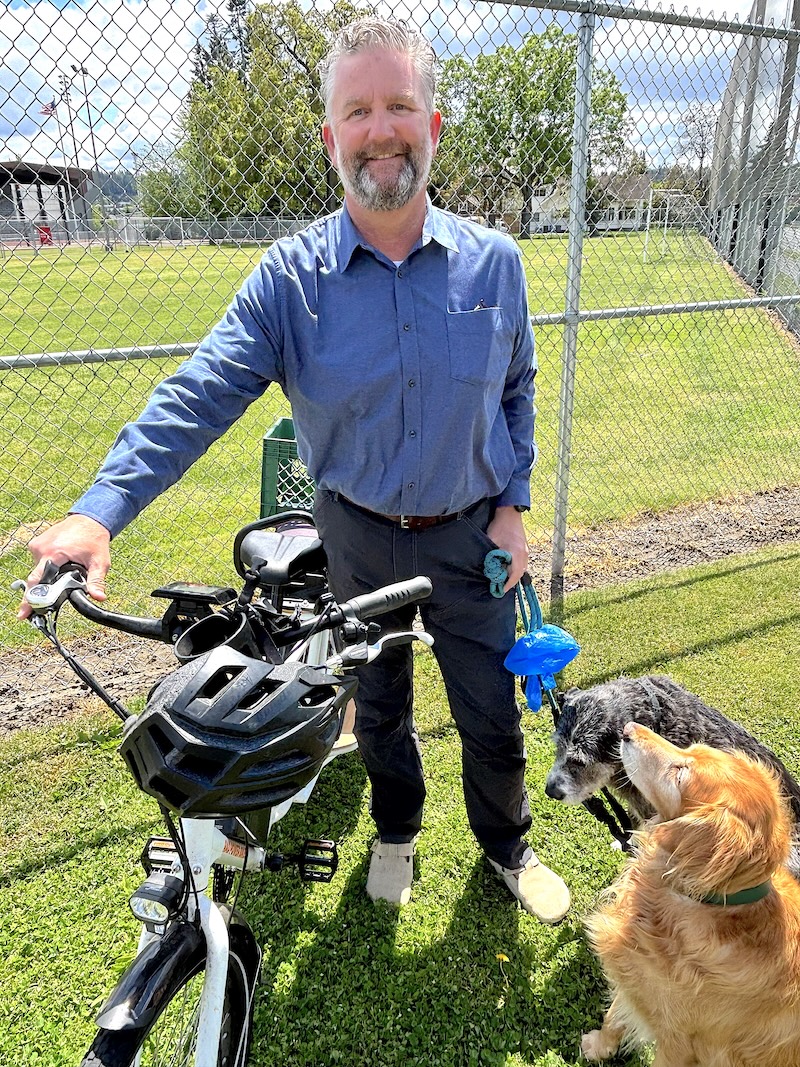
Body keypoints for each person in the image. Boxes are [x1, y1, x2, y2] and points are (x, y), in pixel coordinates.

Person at [19, 17, 570, 923]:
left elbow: (517, 387)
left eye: (401, 106)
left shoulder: (496, 263)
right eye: (359, 111)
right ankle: (396, 831)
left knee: (491, 708)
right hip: (355, 537)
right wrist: (98, 512)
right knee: (380, 705)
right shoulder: (289, 281)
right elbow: (198, 392)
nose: (381, 129)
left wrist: (511, 506)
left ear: (433, 127)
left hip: (474, 538)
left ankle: (506, 844)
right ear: (331, 137)